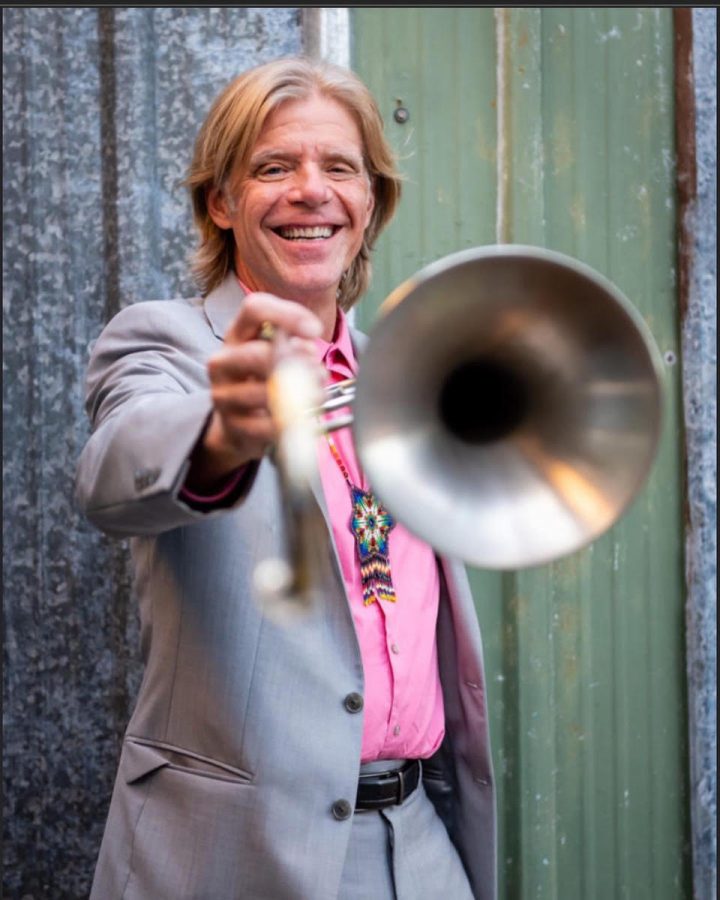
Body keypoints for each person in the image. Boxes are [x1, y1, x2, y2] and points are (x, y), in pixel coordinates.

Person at [76, 56, 496, 900]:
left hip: (420, 845)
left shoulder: (408, 381)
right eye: (274, 167)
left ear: (370, 201)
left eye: (339, 168)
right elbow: (115, 472)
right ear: (222, 203)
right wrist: (222, 433)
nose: (312, 190)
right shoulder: (166, 345)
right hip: (232, 856)